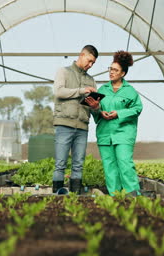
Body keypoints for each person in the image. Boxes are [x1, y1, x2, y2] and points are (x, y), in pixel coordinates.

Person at [85, 51, 143, 196]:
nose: (111, 72)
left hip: (124, 134)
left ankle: (133, 197)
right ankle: (115, 198)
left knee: (125, 164)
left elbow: (137, 109)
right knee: (109, 167)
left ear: (123, 73)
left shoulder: (130, 91)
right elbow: (93, 110)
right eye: (110, 69)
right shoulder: (102, 90)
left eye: (115, 70)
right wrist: (98, 110)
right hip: (105, 134)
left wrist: (119, 113)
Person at [52, 45, 99, 194]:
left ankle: (75, 198)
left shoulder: (91, 80)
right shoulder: (64, 71)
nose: (90, 65)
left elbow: (93, 107)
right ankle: (57, 197)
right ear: (82, 55)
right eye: (89, 61)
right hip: (64, 124)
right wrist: (81, 90)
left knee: (78, 164)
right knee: (60, 164)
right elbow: (59, 92)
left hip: (82, 127)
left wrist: (96, 106)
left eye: (93, 63)